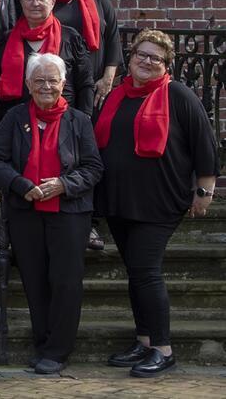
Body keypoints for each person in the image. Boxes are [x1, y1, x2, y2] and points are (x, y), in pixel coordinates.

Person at [95, 29, 218, 378]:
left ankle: (163, 350)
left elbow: (204, 146)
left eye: (156, 58)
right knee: (135, 273)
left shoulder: (177, 95)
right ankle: (144, 340)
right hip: (119, 200)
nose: (147, 61)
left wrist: (204, 192)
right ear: (130, 57)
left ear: (166, 65)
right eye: (141, 55)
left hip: (160, 201)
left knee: (147, 272)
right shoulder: (116, 95)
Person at [0, 53, 104, 375]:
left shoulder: (80, 121)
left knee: (65, 282)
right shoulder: (14, 117)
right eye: (39, 80)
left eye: (53, 80)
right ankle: (42, 343)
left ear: (64, 83)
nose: (47, 86)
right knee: (34, 280)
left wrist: (64, 184)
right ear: (27, 84)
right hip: (26, 211)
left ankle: (58, 350)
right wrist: (22, 185)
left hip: (69, 212)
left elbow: (94, 168)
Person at [0, 0, 92, 122]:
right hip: (15, 120)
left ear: (52, 2)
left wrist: (84, 119)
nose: (35, 3)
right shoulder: (7, 38)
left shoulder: (71, 37)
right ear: (21, 2)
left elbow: (85, 82)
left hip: (62, 119)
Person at [47, 0, 122, 107]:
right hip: (56, 88)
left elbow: (112, 38)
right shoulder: (43, 0)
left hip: (95, 86)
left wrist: (107, 79)